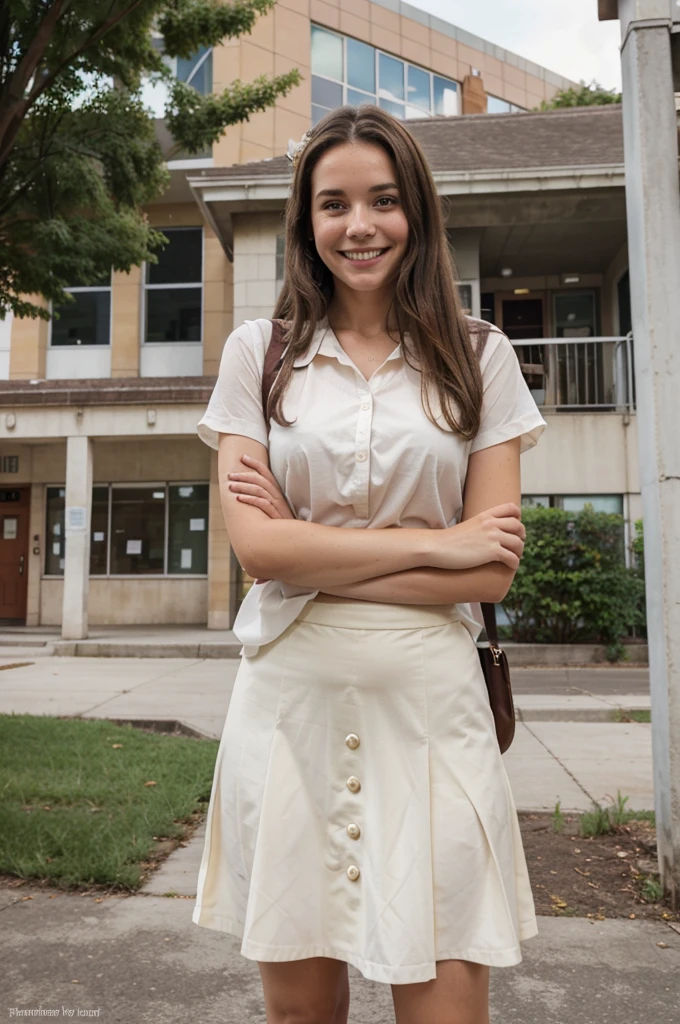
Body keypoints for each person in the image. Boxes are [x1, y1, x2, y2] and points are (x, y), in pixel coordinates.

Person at [192, 105, 546, 1024]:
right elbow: (259, 551)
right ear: (307, 222)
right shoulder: (256, 356)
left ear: (415, 212)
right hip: (290, 713)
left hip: (433, 713)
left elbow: (491, 570)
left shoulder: (480, 357)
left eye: (383, 201)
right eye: (333, 204)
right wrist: (437, 542)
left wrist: (315, 553)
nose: (359, 226)